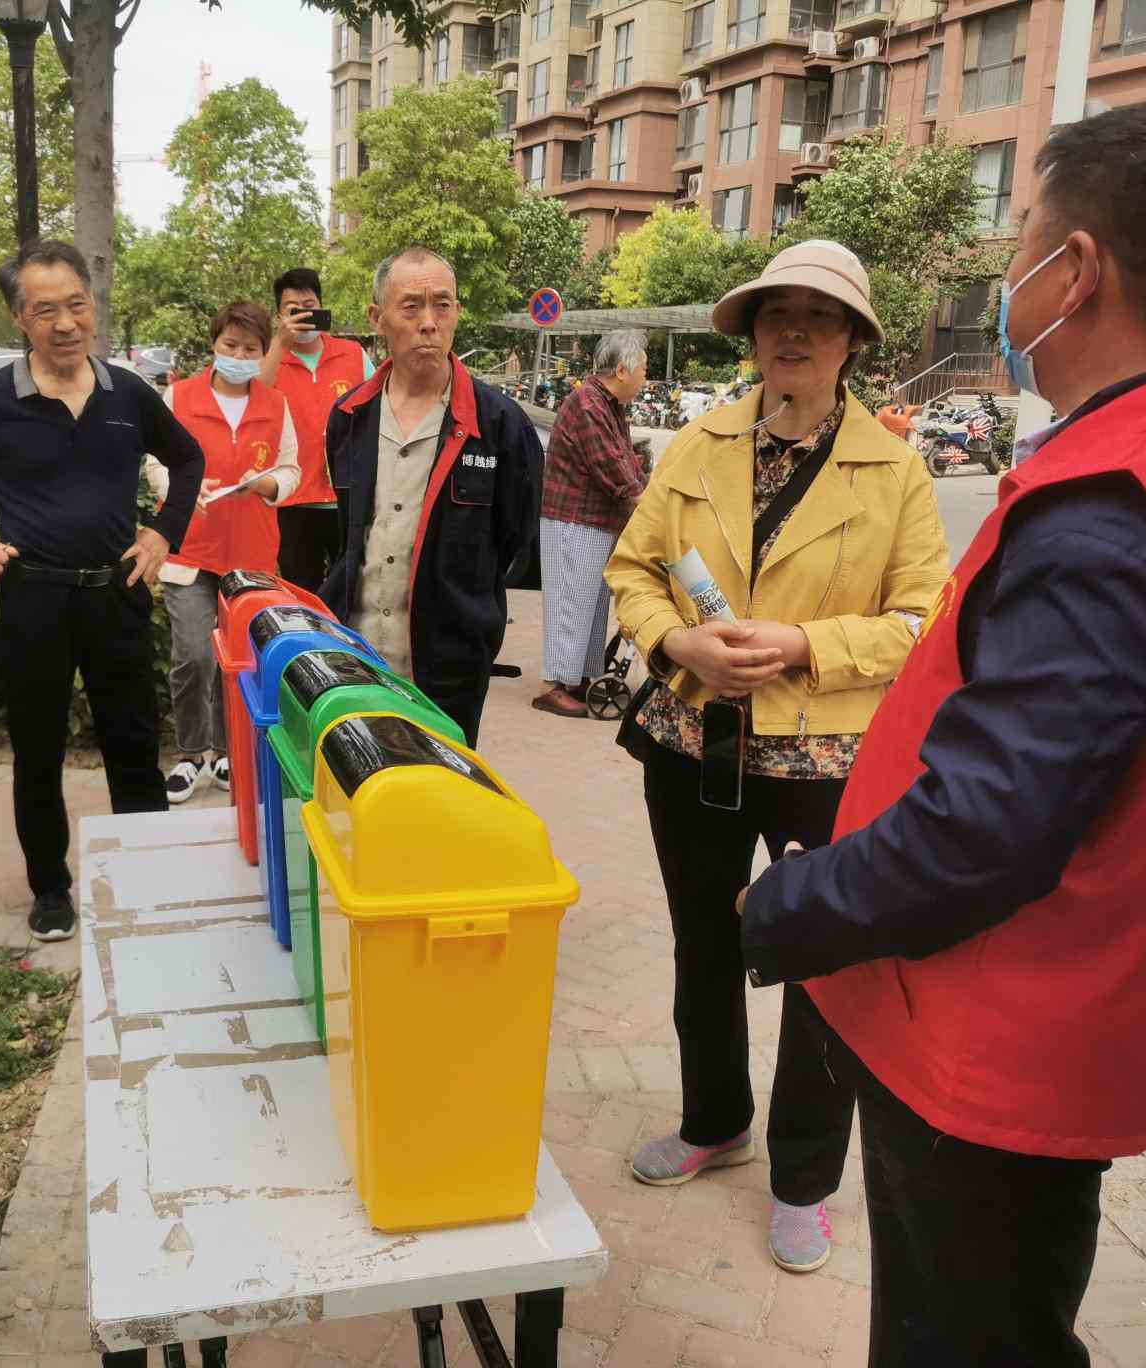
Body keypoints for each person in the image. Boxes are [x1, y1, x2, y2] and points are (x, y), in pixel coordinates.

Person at [736, 98, 1146, 1364]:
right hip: (1070, 1014)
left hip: (995, 1040)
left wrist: (788, 906)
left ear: (1079, 270)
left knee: (966, 1336)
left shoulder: (1123, 504)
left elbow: (981, 833)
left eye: (1023, 245)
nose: (1012, 280)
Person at [603, 240, 950, 1275]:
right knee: (702, 944)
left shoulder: (896, 470)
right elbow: (635, 569)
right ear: (751, 334)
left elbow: (926, 620)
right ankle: (716, 1121)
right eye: (775, 315)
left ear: (852, 342)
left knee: (824, 964)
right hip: (696, 744)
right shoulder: (698, 444)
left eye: (820, 317)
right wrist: (678, 642)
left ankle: (805, 1177)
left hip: (831, 756)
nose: (794, 332)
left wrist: (806, 645)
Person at [0, 238, 205, 943]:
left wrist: (161, 534)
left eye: (76, 305)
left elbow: (187, 459)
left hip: (116, 591)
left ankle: (148, 875)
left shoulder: (128, 392)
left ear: (91, 306)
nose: (65, 324)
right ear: (18, 319)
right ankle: (51, 888)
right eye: (45, 311)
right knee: (36, 751)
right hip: (32, 600)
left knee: (134, 744)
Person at [320, 247, 542, 747]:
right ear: (377, 318)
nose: (428, 323)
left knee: (442, 805)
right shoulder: (349, 418)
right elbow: (347, 533)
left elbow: (513, 543)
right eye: (411, 306)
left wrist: (465, 608)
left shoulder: (500, 425)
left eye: (442, 305)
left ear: (458, 313)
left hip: (449, 667)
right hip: (356, 655)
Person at [152, 300, 302, 803]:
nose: (239, 354)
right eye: (230, 345)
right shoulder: (179, 398)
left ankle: (223, 753)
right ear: (214, 345)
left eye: (250, 348)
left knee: (238, 659)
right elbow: (155, 460)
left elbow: (291, 470)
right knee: (194, 655)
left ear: (263, 354)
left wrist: (266, 484)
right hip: (190, 550)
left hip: (250, 556)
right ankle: (190, 754)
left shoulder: (275, 405)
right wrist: (179, 489)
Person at [534, 329, 650, 718]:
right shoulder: (587, 404)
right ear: (622, 369)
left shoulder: (609, 405)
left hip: (596, 522)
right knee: (571, 602)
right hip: (574, 520)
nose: (645, 379)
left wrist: (652, 496)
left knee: (593, 606)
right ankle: (553, 685)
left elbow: (629, 463)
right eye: (643, 370)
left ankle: (583, 678)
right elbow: (612, 468)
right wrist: (646, 507)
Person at [259, 267, 373, 591]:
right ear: (279, 315)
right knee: (302, 591)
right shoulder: (270, 361)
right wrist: (280, 345)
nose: (303, 315)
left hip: (346, 497)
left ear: (321, 305)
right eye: (293, 310)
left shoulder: (352, 355)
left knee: (351, 590)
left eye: (309, 305)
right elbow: (254, 405)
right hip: (293, 502)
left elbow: (379, 409)